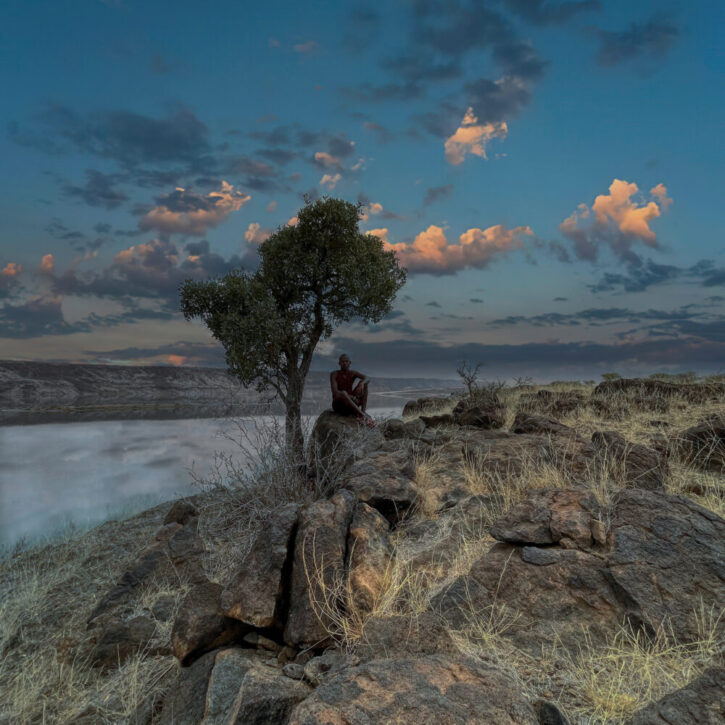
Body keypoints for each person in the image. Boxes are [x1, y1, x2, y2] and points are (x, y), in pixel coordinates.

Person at [330, 354, 374, 426]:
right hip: (339, 405)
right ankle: (362, 414)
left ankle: (363, 412)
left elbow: (367, 378)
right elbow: (335, 392)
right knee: (343, 393)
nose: (344, 363)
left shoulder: (353, 373)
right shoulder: (334, 374)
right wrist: (352, 397)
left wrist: (362, 383)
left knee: (364, 384)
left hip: (350, 404)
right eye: (343, 361)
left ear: (350, 363)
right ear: (339, 363)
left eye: (346, 361)